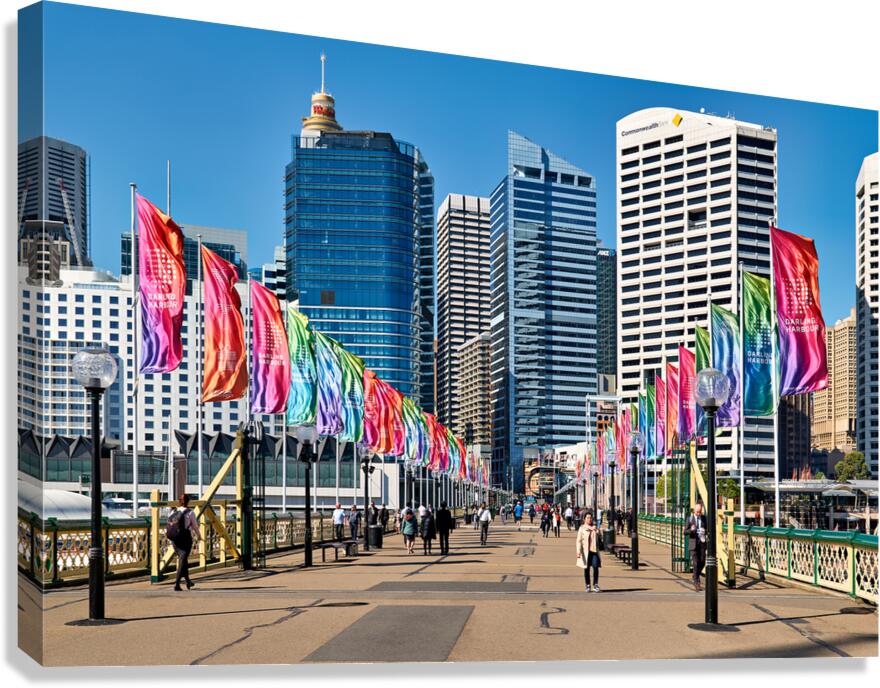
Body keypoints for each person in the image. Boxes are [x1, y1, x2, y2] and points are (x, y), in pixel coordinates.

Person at [170, 494, 200, 591]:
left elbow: (170, 524)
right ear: (188, 501)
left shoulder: (173, 511)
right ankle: (177, 584)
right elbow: (195, 526)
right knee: (183, 560)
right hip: (185, 539)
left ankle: (188, 581)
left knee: (183, 560)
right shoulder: (190, 513)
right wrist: (199, 536)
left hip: (174, 539)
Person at [576, 511, 602, 593]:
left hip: (594, 551)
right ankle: (587, 585)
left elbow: (600, 538)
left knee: (595, 567)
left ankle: (595, 584)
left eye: (590, 518)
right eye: (587, 518)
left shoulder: (595, 528)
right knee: (586, 569)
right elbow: (578, 541)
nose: (589, 519)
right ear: (584, 519)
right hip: (585, 552)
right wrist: (578, 551)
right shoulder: (582, 528)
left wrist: (598, 532)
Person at [685, 502, 708, 591]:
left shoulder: (704, 519)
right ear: (694, 511)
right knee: (696, 563)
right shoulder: (690, 519)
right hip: (693, 543)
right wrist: (691, 530)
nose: (698, 513)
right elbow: (685, 532)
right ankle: (697, 582)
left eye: (700, 512)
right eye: (697, 512)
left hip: (702, 543)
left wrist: (704, 531)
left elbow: (708, 530)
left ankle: (695, 575)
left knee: (702, 562)